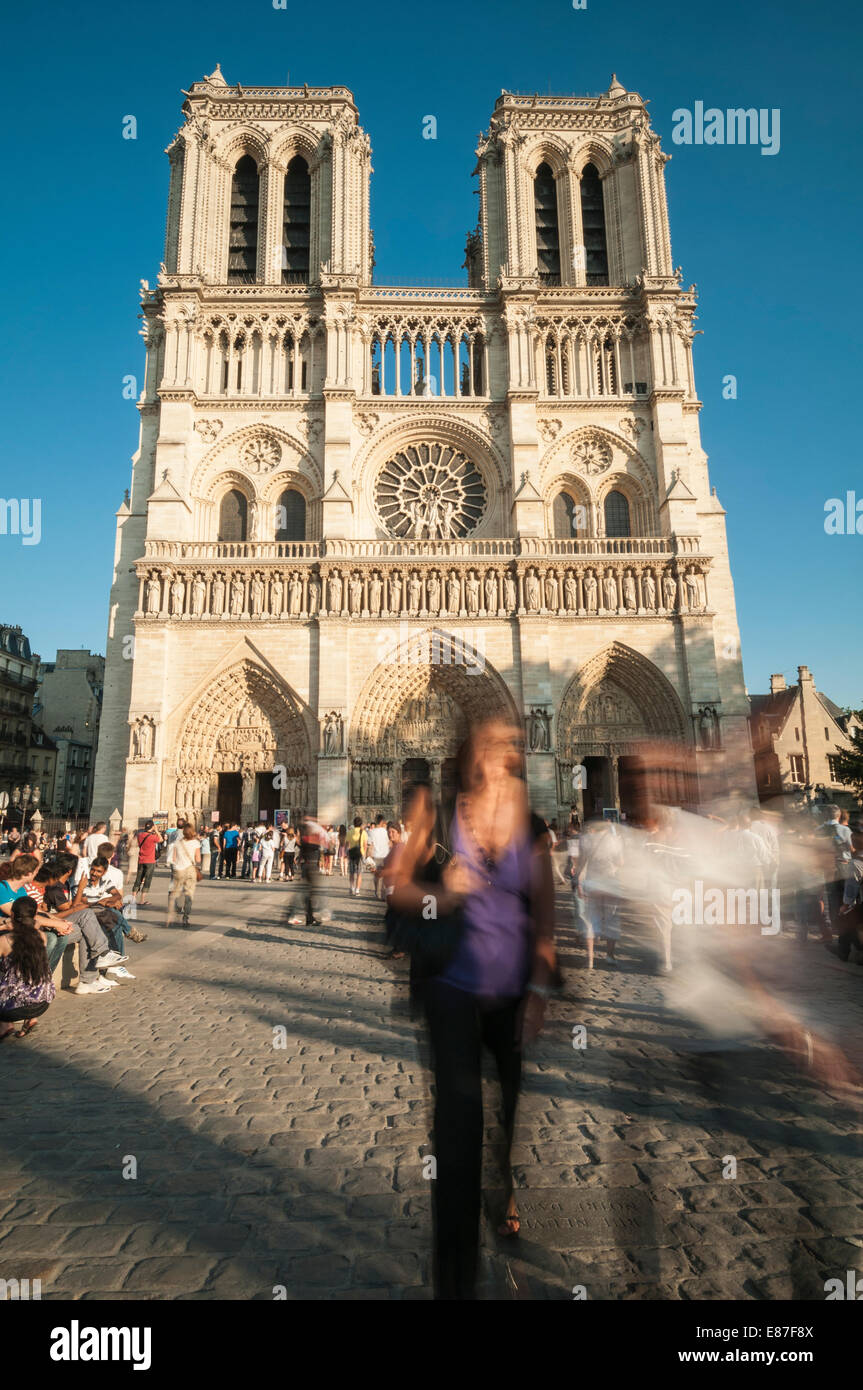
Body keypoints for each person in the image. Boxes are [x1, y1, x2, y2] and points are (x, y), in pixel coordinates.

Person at [387, 718, 556, 1300]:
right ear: (467, 756)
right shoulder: (433, 815)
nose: (503, 754)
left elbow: (547, 908)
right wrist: (446, 894)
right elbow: (397, 887)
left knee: (507, 1116)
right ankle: (454, 1278)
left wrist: (539, 985)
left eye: (511, 745)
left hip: (509, 993)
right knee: (458, 1126)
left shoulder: (529, 822)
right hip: (451, 988)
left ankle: (502, 1185)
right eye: (491, 745)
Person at [0, 897, 56, 1040]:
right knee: (30, 972)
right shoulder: (42, 936)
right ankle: (31, 1019)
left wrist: (4, 926)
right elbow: (33, 927)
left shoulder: (5, 940)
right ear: (35, 914)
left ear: (12, 915)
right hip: (42, 1003)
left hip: (11, 1009)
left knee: (6, 976)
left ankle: (5, 1025)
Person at [576, 814, 624, 968]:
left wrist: (578, 882)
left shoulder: (585, 840)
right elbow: (620, 862)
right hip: (610, 882)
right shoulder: (615, 840)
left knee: (591, 920)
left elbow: (581, 864)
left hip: (592, 882)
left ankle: (590, 959)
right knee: (611, 919)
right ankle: (610, 955)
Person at [167, 824, 201, 927]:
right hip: (190, 870)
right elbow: (198, 860)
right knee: (189, 894)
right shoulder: (196, 843)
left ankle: (170, 916)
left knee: (174, 893)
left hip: (178, 870)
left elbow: (173, 858)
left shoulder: (177, 842)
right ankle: (185, 918)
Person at [132, 820, 163, 903]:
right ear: (152, 827)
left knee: (138, 879)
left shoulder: (140, 835)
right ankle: (142, 900)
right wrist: (156, 830)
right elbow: (161, 839)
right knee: (147, 879)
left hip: (141, 859)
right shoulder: (152, 837)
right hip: (150, 860)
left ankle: (133, 898)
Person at [368, 815, 391, 900]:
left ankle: (376, 892)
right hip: (385, 855)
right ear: (382, 822)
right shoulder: (385, 831)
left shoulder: (371, 832)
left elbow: (370, 845)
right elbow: (389, 843)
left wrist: (368, 856)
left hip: (375, 856)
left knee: (376, 875)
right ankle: (383, 894)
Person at [346, 817, 367, 896]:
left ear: (354, 823)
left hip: (351, 854)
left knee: (351, 873)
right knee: (359, 873)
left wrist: (347, 854)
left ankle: (351, 888)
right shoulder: (364, 832)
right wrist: (364, 854)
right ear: (361, 824)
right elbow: (365, 845)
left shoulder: (349, 832)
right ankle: (357, 890)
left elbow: (347, 845)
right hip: (360, 854)